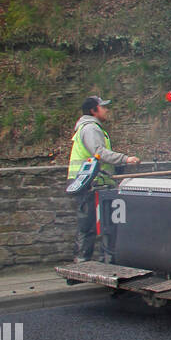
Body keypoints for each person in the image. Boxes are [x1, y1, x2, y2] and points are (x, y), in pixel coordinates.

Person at [68, 96, 139, 262]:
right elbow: (99, 152)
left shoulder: (89, 128)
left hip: (91, 183)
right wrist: (125, 159)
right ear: (94, 110)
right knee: (91, 225)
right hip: (89, 184)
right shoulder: (90, 129)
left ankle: (102, 260)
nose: (107, 110)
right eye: (103, 107)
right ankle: (84, 262)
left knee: (100, 224)